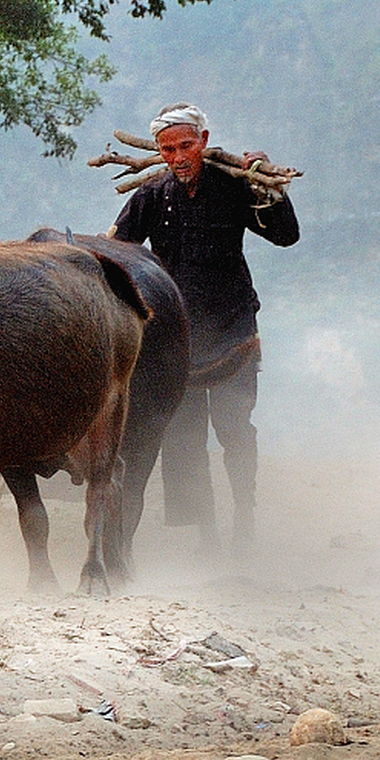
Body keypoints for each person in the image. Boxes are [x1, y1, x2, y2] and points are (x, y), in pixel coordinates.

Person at [110, 102, 299, 554]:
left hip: (233, 330)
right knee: (182, 434)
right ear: (159, 151)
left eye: (186, 146)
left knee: (234, 427)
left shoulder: (235, 188)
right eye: (168, 148)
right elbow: (116, 253)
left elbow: (286, 235)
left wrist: (265, 186)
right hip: (176, 339)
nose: (178, 157)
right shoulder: (152, 196)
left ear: (205, 143)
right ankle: (207, 535)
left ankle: (244, 519)